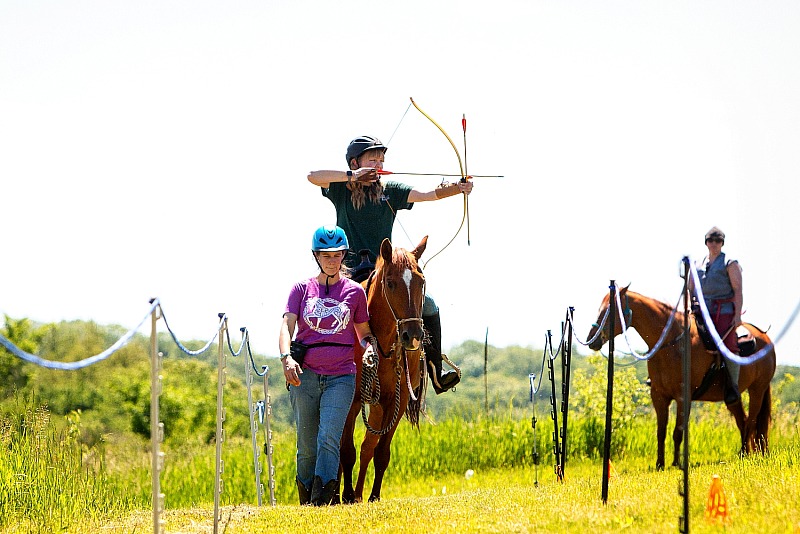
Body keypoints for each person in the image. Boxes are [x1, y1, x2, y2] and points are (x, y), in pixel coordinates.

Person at [308, 135, 472, 394]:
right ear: (355, 161)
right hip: (348, 271)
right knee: (325, 306)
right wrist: (352, 176)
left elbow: (427, 194)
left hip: (384, 271)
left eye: (381, 158)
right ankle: (316, 372)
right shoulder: (341, 188)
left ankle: (435, 370)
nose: (378, 162)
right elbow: (312, 176)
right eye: (372, 158)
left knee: (427, 304)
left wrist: (457, 188)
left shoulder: (390, 190)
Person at [278, 225, 378, 505]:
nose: (331, 260)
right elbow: (287, 326)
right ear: (316, 256)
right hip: (304, 374)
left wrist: (370, 349)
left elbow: (364, 332)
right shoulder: (300, 289)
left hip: (341, 377)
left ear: (344, 255)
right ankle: (306, 499)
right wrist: (286, 358)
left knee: (329, 438)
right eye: (325, 255)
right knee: (306, 445)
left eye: (336, 255)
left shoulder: (355, 293)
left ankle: (323, 501)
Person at [693, 226, 743, 405]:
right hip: (700, 310)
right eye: (711, 240)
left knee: (728, 345)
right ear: (706, 242)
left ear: (722, 243)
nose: (714, 244)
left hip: (724, 310)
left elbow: (737, 290)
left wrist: (737, 316)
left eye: (718, 240)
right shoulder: (697, 264)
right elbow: (691, 288)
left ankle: (732, 386)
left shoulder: (730, 263)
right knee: (683, 336)